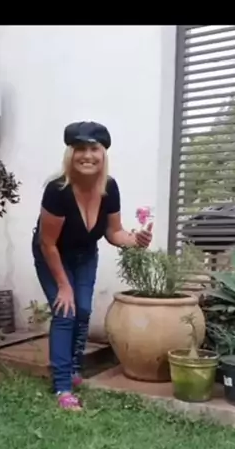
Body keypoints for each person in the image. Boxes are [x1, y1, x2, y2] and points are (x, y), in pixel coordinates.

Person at [32, 121, 153, 409]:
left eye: (93, 149)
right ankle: (62, 386)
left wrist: (135, 240)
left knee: (83, 310)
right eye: (80, 149)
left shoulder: (109, 188)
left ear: (103, 153)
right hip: (52, 254)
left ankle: (74, 367)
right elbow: (48, 244)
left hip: (85, 254)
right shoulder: (57, 190)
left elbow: (114, 232)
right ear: (70, 154)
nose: (87, 155)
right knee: (66, 311)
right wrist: (63, 286)